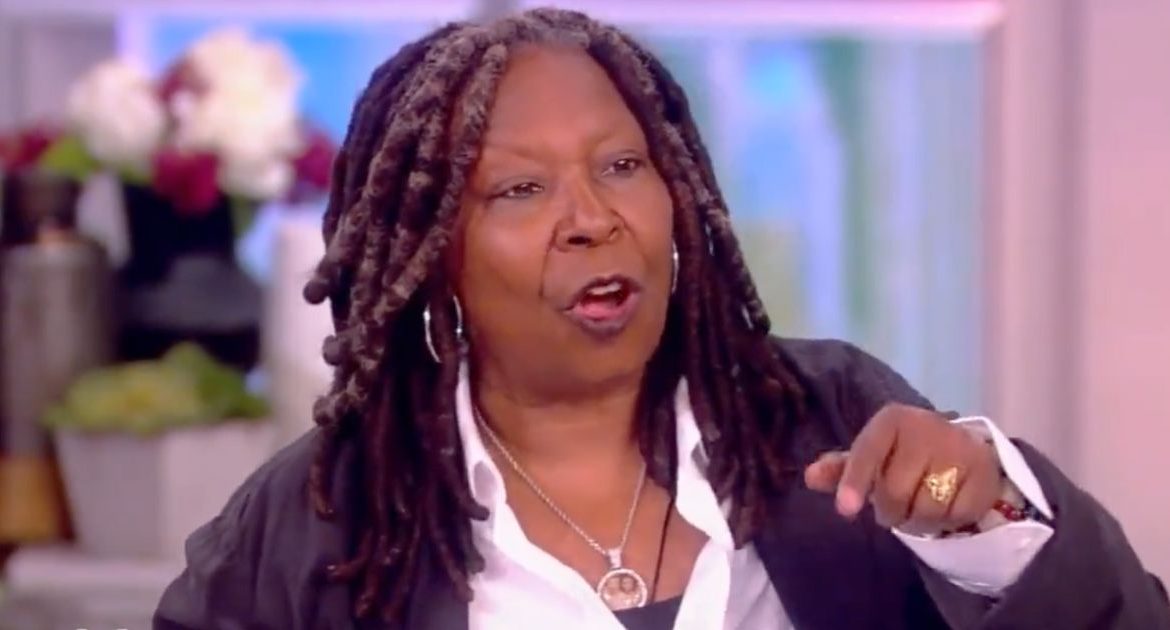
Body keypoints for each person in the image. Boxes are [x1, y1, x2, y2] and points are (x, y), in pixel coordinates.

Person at [154, 8, 1169, 630]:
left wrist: (972, 512)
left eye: (623, 166)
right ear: (431, 258)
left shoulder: (827, 417)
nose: (592, 218)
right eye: (520, 190)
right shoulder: (321, 521)